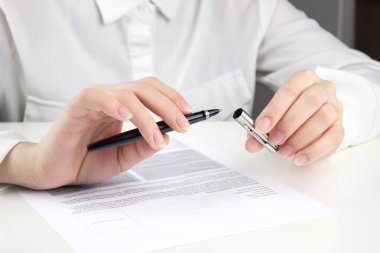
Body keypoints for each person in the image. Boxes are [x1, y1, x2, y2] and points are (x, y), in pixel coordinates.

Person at [0, 0, 379, 189]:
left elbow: (368, 76)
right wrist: (25, 162)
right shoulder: (14, 12)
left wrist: (335, 111)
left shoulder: (249, 6)